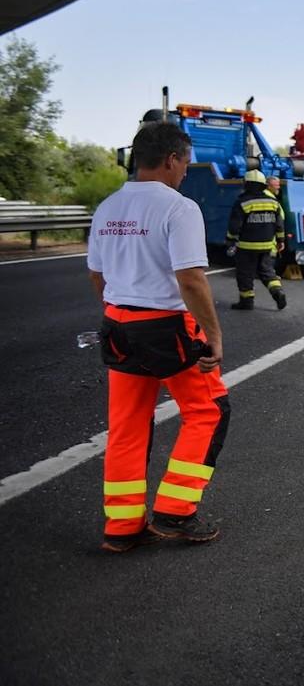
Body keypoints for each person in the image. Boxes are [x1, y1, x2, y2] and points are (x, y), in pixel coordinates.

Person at [87, 121, 229, 551]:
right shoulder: (179, 208)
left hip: (117, 323)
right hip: (167, 326)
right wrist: (212, 334)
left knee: (127, 425)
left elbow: (97, 275)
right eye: (185, 163)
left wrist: (119, 309)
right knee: (208, 411)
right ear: (171, 160)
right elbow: (190, 279)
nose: (185, 171)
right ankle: (176, 509)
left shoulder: (107, 207)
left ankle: (123, 526)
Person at [225, 170, 287, 311]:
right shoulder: (273, 202)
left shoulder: (242, 202)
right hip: (267, 246)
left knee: (245, 274)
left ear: (246, 184)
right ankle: (278, 292)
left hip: (246, 247)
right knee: (267, 271)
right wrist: (281, 241)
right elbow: (279, 225)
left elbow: (234, 227)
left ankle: (246, 302)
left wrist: (230, 241)